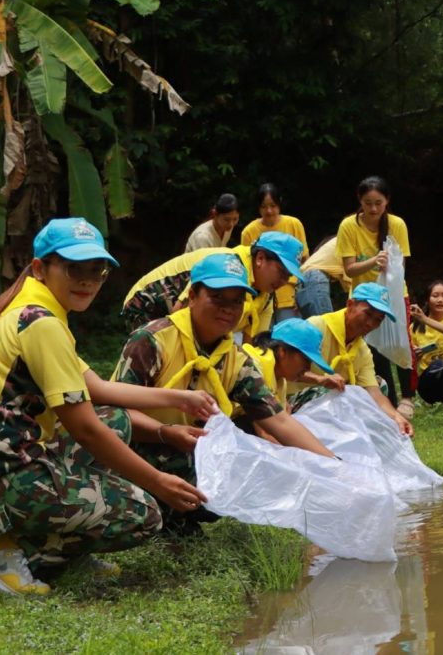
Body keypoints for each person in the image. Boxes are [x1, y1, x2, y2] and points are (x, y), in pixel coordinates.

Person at [0, 218, 212, 597]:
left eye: (97, 271)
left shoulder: (37, 313)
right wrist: (157, 481)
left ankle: (60, 542)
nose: (87, 280)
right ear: (40, 269)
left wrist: (178, 401)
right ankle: (7, 549)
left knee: (115, 421)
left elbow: (95, 389)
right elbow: (85, 430)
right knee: (142, 514)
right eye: (74, 268)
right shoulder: (41, 323)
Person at [111, 254, 336, 534]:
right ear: (192, 295)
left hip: (188, 445)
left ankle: (180, 516)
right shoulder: (153, 341)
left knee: (249, 470)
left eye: (236, 301)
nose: (228, 310)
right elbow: (114, 412)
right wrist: (165, 432)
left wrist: (333, 466)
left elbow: (278, 420)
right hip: (138, 447)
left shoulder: (235, 358)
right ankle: (158, 509)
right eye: (218, 298)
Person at [120, 231, 304, 341]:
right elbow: (180, 314)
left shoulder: (265, 297)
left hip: (180, 315)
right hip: (148, 302)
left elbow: (253, 346)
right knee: (161, 359)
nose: (282, 282)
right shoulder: (227, 265)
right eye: (281, 272)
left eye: (288, 277)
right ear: (261, 258)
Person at [288, 282, 415, 437]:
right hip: (292, 401)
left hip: (329, 402)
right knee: (330, 392)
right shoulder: (316, 326)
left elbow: (373, 391)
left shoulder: (362, 349)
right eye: (368, 314)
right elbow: (283, 367)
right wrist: (320, 380)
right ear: (350, 304)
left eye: (378, 320)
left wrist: (396, 417)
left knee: (380, 385)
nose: (370, 324)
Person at [337, 176, 416, 419]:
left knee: (401, 342)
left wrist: (388, 264)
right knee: (373, 349)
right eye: (368, 203)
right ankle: (388, 400)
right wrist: (374, 261)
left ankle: (408, 398)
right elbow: (349, 269)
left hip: (393, 294)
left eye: (378, 203)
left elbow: (400, 265)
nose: (373, 209)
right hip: (363, 298)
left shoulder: (397, 225)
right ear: (359, 201)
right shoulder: (349, 226)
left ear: (387, 201)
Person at [242, 318, 337, 440]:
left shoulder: (281, 380)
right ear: (282, 351)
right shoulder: (256, 367)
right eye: (306, 360)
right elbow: (266, 434)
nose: (307, 368)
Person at [240, 184, 310, 325]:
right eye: (264, 206)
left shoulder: (294, 224)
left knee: (288, 338)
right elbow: (246, 268)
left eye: (273, 205)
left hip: (288, 296)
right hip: (259, 297)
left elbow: (305, 262)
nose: (269, 211)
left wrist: (301, 294)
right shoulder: (249, 232)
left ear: (279, 203)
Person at [297, 236, 351, 319]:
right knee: (325, 325)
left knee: (313, 328)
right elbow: (353, 284)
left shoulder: (341, 239)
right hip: (316, 278)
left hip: (302, 280)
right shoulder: (353, 242)